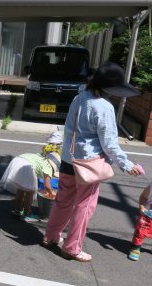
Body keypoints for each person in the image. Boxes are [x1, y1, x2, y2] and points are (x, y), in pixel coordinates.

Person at [41, 62, 143, 262]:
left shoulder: (79, 97)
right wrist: (127, 164)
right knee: (84, 206)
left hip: (68, 159)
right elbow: (109, 144)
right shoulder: (104, 107)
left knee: (63, 201)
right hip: (88, 164)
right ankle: (71, 247)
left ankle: (50, 237)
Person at [0, 131, 62, 222]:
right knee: (30, 191)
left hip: (19, 160)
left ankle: (18, 210)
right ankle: (27, 214)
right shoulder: (49, 167)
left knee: (21, 189)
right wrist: (53, 194)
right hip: (26, 166)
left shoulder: (43, 157)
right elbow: (47, 185)